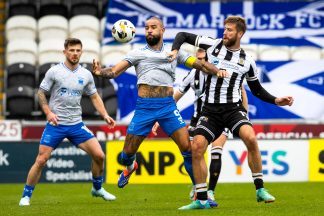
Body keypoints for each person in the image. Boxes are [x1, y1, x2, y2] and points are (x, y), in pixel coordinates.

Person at [92, 17, 226, 206]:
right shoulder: (137, 52)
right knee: (124, 156)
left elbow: (200, 64)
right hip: (144, 108)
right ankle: (131, 166)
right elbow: (114, 71)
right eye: (146, 28)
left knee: (188, 150)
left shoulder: (175, 52)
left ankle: (200, 194)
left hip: (167, 107)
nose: (149, 31)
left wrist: (217, 70)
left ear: (163, 30)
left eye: (153, 27)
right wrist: (100, 72)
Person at [169, 16, 294, 210]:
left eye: (229, 30)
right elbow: (182, 35)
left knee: (250, 138)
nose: (224, 33)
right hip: (210, 109)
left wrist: (276, 100)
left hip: (233, 109)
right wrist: (175, 50)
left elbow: (257, 89)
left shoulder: (247, 61)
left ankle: (260, 189)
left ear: (240, 33)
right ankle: (201, 199)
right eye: (224, 29)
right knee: (197, 147)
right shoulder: (212, 45)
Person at [19, 38, 117, 206]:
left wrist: (105, 115)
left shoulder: (86, 74)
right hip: (56, 124)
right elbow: (41, 93)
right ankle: (26, 196)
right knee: (41, 160)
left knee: (100, 155)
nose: (75, 53)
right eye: (71, 50)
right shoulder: (54, 71)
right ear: (65, 52)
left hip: (76, 124)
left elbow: (94, 96)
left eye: (78, 50)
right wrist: (48, 113)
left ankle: (97, 188)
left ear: (81, 52)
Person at [152, 48, 248, 202]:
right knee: (193, 153)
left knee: (216, 151)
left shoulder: (224, 71)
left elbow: (241, 91)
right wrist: (159, 117)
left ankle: (210, 192)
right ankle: (198, 186)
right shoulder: (192, 74)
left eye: (204, 59)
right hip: (199, 120)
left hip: (221, 117)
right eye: (198, 59)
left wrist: (243, 113)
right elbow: (175, 97)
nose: (201, 62)